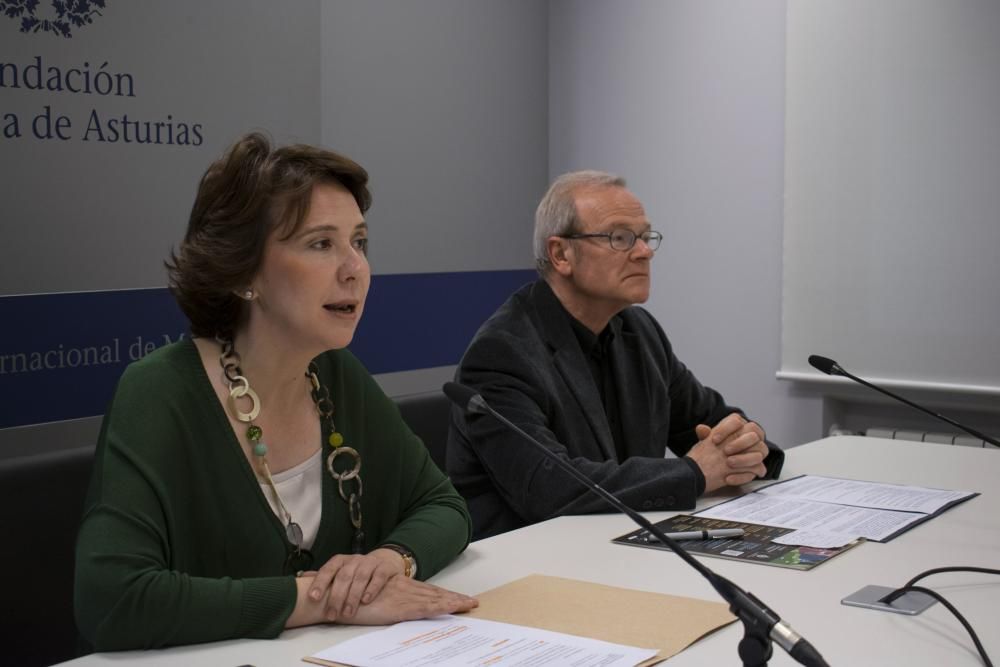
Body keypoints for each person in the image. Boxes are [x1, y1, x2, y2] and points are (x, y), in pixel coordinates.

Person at [74, 133, 477, 650]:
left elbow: (444, 506)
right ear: (244, 272)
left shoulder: (336, 375)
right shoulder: (160, 391)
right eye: (321, 244)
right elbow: (112, 599)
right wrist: (322, 600)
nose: (355, 269)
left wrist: (384, 563)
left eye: (359, 242)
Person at [448, 170, 784, 540]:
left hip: (622, 543)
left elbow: (709, 421)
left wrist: (746, 446)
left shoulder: (638, 331)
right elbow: (549, 487)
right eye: (621, 238)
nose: (644, 251)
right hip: (534, 559)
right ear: (561, 254)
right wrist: (695, 473)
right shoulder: (501, 352)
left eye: (645, 236)